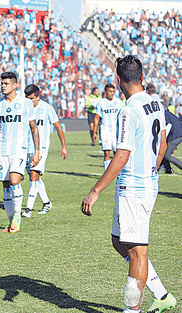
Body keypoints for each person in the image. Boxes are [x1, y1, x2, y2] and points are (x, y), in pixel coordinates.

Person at [81, 55, 177, 313]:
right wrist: (151, 171)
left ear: (119, 80)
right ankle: (162, 295)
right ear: (142, 77)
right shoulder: (157, 102)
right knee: (119, 241)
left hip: (135, 188)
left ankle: (132, 310)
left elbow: (122, 155)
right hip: (143, 183)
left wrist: (95, 190)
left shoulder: (129, 110)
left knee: (136, 252)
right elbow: (164, 145)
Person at [0, 72, 39, 233]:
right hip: (3, 150)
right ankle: (11, 222)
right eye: (2, 83)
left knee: (15, 180)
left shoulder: (26, 103)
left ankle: (17, 217)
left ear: (15, 85)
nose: (3, 86)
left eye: (6, 83)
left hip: (19, 149)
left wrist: (37, 151)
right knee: (6, 185)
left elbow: (34, 128)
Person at [22, 84, 68, 218]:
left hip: (41, 148)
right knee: (33, 177)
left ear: (38, 96)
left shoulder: (47, 108)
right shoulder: (26, 109)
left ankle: (28, 209)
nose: (29, 101)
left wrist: (63, 146)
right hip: (28, 147)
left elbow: (58, 127)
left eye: (31, 98)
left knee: (34, 175)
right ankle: (47, 203)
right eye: (27, 98)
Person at [93, 84, 124, 171]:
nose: (112, 93)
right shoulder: (101, 103)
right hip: (105, 130)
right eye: (110, 91)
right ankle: (107, 173)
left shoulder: (119, 102)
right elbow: (97, 118)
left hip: (116, 131)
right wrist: (94, 132)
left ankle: (116, 171)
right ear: (105, 92)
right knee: (107, 153)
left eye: (113, 91)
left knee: (117, 153)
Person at [159, 109, 182, 174]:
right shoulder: (166, 112)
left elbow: (167, 127)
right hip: (177, 134)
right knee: (164, 153)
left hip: (175, 135)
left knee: (166, 155)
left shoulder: (163, 114)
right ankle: (168, 169)